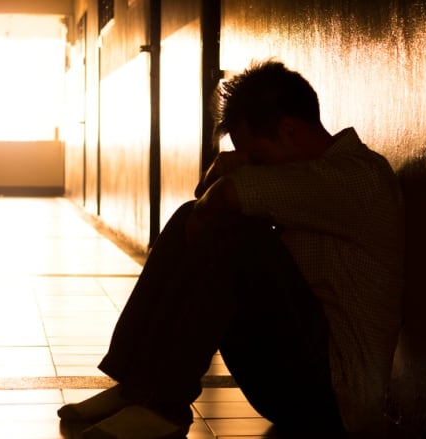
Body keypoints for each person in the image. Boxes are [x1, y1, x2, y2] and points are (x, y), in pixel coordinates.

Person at [57, 60, 404, 438]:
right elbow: (201, 203)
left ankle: (162, 406)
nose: (253, 167)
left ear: (288, 130)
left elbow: (223, 199)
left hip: (336, 399)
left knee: (234, 234)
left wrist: (228, 180)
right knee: (193, 216)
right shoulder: (308, 176)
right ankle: (135, 389)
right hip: (291, 384)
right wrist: (228, 168)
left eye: (256, 155)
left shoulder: (356, 177)